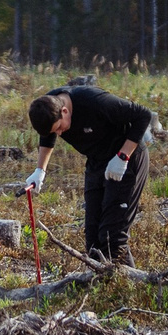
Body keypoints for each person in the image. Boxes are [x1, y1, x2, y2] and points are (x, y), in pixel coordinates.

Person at [20, 81, 153, 265]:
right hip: (97, 162)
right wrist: (40, 171)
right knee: (93, 240)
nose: (58, 134)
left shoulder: (94, 101)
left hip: (127, 159)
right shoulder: (48, 106)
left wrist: (123, 156)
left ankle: (130, 287)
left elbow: (143, 115)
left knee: (112, 237)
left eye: (59, 128)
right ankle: (101, 286)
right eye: (54, 131)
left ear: (65, 111)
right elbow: (48, 135)